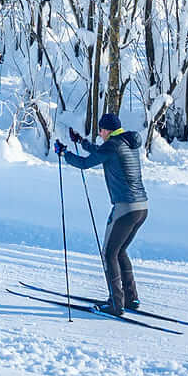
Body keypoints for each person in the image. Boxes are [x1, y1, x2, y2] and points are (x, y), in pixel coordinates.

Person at [57, 112, 148, 316]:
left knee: (109, 253)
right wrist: (81, 142)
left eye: (100, 130)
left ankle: (116, 304)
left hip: (125, 208)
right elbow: (101, 151)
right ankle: (131, 298)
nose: (99, 133)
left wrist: (64, 153)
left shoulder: (112, 145)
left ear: (107, 130)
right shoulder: (126, 141)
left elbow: (85, 163)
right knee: (120, 251)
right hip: (141, 207)